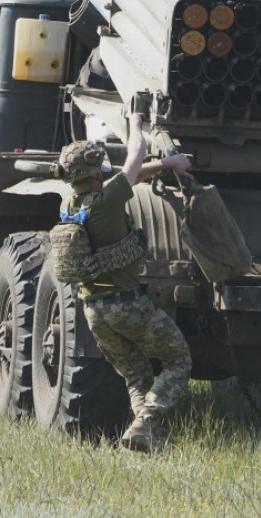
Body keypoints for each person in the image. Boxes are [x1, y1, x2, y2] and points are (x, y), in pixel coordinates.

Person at [55, 109, 193, 453]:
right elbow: (135, 155)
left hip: (93, 311)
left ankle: (146, 436)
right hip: (126, 305)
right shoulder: (107, 200)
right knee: (178, 360)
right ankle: (146, 421)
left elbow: (128, 176)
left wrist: (166, 165)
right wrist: (136, 123)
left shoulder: (71, 205)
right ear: (95, 171)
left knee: (136, 376)